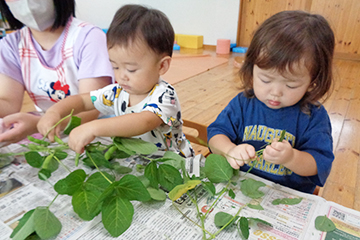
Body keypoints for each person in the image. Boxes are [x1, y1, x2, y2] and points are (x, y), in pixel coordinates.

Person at [37, 4, 194, 157]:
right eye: (115, 67)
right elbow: (83, 101)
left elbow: (144, 121)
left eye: (131, 69)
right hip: (140, 163)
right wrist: (54, 112)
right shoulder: (117, 91)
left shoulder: (165, 96)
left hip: (174, 166)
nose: (121, 76)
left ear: (162, 66)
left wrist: (93, 127)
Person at [207, 10, 335, 194]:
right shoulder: (244, 103)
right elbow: (215, 135)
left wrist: (291, 158)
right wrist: (230, 150)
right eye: (265, 80)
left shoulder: (312, 116)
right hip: (242, 189)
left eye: (291, 85)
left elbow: (318, 164)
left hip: (287, 196)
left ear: (311, 83)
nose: (275, 93)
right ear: (251, 70)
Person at [0, 0, 113, 144]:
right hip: (49, 129)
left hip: (96, 129)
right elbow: (8, 103)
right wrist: (41, 123)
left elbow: (91, 108)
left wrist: (39, 124)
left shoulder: (88, 37)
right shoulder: (11, 45)